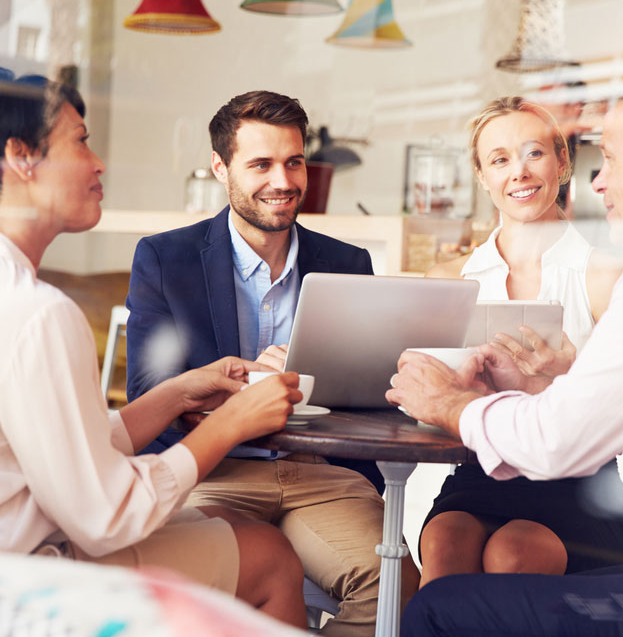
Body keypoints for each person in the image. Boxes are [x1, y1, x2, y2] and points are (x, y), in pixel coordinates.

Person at [0, 73, 309, 629]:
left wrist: (173, 395)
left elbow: (63, 453)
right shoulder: (39, 312)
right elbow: (104, 514)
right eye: (81, 140)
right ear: (21, 157)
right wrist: (231, 423)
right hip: (28, 573)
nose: (98, 164)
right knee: (269, 557)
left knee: (214, 522)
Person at [125, 90, 419, 637]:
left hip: (320, 474)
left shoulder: (347, 263)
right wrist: (254, 385)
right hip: (212, 471)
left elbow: (375, 387)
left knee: (393, 585)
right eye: (260, 164)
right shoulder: (166, 258)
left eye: (294, 161)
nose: (282, 181)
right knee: (209, 591)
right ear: (221, 166)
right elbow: (149, 391)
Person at [390, 85, 623, 635]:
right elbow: (418, 403)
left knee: (514, 554)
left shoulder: (614, 274)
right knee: (444, 546)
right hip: (476, 473)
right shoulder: (450, 282)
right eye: (499, 159)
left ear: (563, 162)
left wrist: (572, 371)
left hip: (579, 485)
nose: (518, 171)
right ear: (482, 176)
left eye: (535, 152)